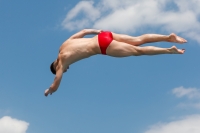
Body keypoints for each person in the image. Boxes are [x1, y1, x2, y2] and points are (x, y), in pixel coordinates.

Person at [44, 29, 187, 96]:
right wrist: (96, 30)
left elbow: (57, 80)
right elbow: (84, 31)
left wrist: (51, 89)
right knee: (138, 40)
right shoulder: (64, 45)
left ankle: (169, 50)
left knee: (138, 51)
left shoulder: (61, 61)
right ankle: (169, 37)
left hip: (102, 46)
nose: (66, 69)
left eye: (65, 69)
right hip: (103, 35)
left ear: (55, 65)